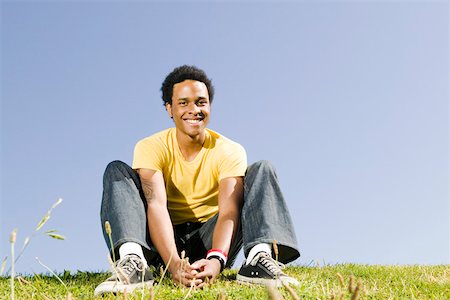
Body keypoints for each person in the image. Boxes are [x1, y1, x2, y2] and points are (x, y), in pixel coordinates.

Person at [94, 65, 300, 296]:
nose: (193, 110)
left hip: (210, 238)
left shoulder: (229, 150)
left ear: (210, 106)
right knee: (116, 170)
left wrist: (216, 259)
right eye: (183, 103)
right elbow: (156, 206)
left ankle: (258, 259)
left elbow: (229, 212)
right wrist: (173, 263)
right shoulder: (150, 147)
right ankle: (133, 264)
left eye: (201, 102)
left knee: (263, 168)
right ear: (169, 109)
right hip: (164, 239)